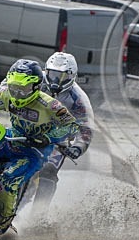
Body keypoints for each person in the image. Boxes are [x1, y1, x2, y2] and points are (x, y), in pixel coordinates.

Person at [0, 59, 77, 234]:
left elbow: (71, 126)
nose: (18, 94)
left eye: (23, 90)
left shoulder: (50, 105)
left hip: (34, 150)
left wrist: (47, 138)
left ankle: (5, 218)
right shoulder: (7, 94)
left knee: (8, 179)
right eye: (14, 88)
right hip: (11, 138)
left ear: (36, 87)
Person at [30, 51, 95, 211]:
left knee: (48, 171)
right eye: (53, 74)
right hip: (27, 129)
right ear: (46, 70)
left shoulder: (79, 98)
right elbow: (8, 84)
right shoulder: (34, 79)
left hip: (56, 142)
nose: (55, 81)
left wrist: (78, 147)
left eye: (62, 76)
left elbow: (86, 128)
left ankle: (38, 215)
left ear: (72, 76)